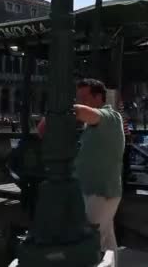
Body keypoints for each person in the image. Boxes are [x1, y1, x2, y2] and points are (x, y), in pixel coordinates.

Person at [37, 78, 125, 254]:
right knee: (107, 244)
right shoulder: (91, 128)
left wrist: (51, 117)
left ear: (99, 97)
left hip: (100, 193)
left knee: (88, 245)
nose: (79, 101)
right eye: (78, 97)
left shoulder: (111, 118)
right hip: (94, 192)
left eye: (84, 97)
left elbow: (77, 110)